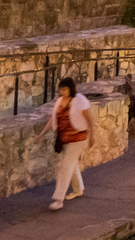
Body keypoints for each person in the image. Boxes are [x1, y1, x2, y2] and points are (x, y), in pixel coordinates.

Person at [39, 77, 95, 211]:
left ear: (71, 88)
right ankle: (78, 189)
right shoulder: (59, 101)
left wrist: (92, 136)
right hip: (64, 139)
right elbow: (53, 119)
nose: (62, 92)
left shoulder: (80, 100)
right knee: (72, 163)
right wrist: (41, 134)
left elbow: (89, 119)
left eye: (64, 89)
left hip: (78, 138)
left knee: (65, 166)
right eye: (60, 89)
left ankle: (58, 199)